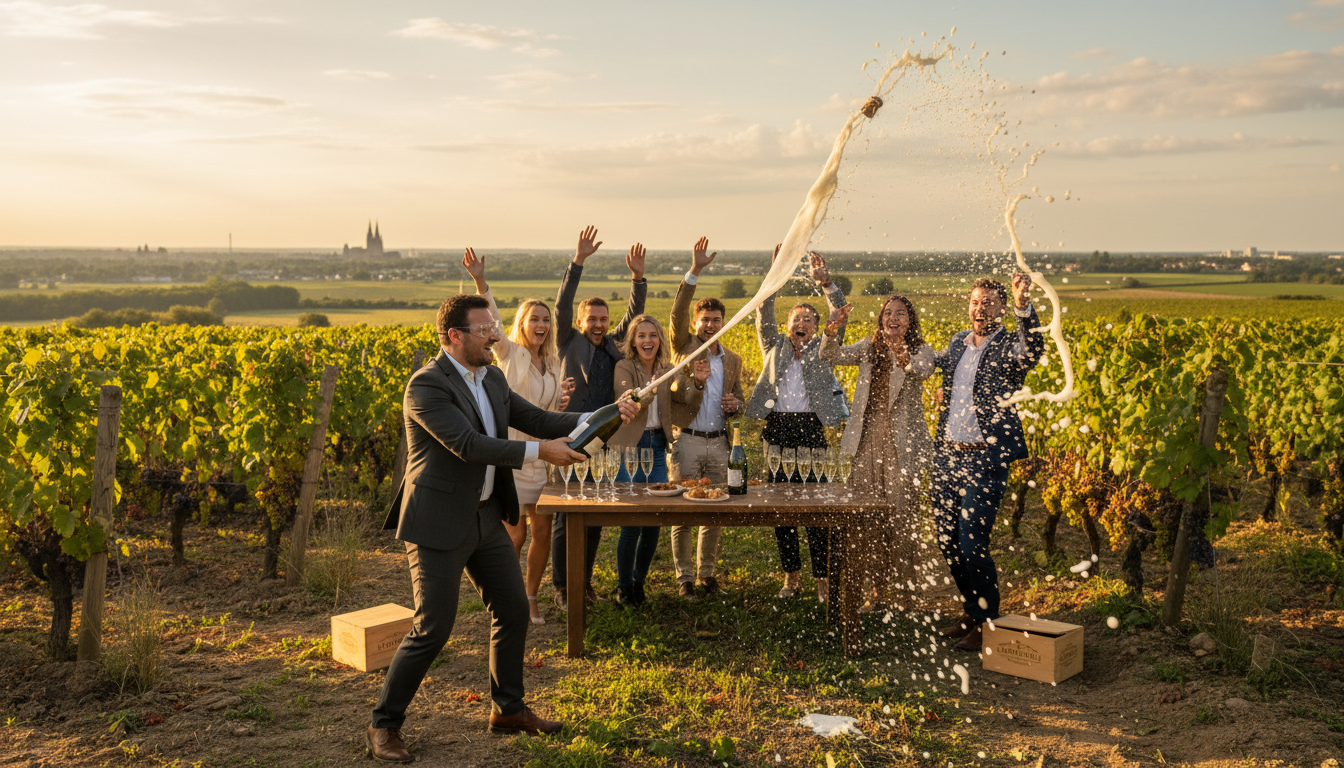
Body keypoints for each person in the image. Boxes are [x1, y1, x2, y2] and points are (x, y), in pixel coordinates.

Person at [369, 294, 639, 762]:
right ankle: (384, 724)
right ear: (454, 336)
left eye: (495, 326)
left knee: (513, 610)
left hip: (485, 516)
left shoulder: (490, 376)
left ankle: (508, 709)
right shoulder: (426, 387)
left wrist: (604, 414)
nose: (495, 335)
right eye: (484, 330)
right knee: (432, 628)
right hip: (437, 521)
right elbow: (469, 445)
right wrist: (541, 453)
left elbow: (534, 418)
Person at [463, 247, 575, 626]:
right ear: (522, 324)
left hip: (542, 458)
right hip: (513, 455)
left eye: (545, 319)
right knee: (515, 535)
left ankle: (530, 598)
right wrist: (481, 281)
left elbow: (546, 413)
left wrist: (561, 404)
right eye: (534, 319)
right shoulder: (510, 353)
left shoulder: (554, 361)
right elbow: (491, 318)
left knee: (541, 531)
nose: (541, 324)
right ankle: (505, 597)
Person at [931, 274, 1043, 652]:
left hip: (984, 459)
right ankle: (969, 611)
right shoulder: (956, 344)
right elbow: (948, 382)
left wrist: (1022, 304)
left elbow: (1034, 350)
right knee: (947, 541)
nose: (981, 308)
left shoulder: (1011, 344)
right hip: (947, 455)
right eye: (976, 302)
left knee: (971, 544)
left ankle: (987, 620)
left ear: (1000, 308)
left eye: (989, 303)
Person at [745, 247, 850, 603]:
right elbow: (763, 312)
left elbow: (841, 315)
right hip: (777, 431)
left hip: (811, 432)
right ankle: (792, 577)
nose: (801, 324)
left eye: (808, 320)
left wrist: (827, 283)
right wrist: (778, 272)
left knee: (816, 508)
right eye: (797, 319)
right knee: (781, 509)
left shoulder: (824, 347)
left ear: (818, 328)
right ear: (788, 326)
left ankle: (822, 577)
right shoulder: (773, 346)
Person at [551, 226, 648, 611]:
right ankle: (563, 587)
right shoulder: (567, 340)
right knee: (565, 513)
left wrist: (637, 278)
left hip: (603, 439)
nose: (598, 323)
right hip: (569, 434)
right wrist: (578, 262)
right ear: (580, 320)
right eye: (591, 318)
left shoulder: (613, 345)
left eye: (602, 318)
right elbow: (560, 305)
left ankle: (584, 582)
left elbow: (634, 315)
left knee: (592, 516)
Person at [820, 295, 934, 613]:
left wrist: (901, 353)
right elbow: (830, 355)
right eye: (887, 313)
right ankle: (876, 592)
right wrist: (830, 330)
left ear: (910, 321)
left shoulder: (919, 350)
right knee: (868, 521)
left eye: (900, 313)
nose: (892, 317)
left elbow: (923, 371)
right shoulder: (868, 347)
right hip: (866, 443)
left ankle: (906, 595)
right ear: (881, 319)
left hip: (901, 447)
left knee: (902, 519)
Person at [667, 236, 745, 598]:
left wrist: (736, 405)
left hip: (719, 441)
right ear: (696, 323)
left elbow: (740, 398)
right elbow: (676, 312)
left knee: (716, 509)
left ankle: (706, 575)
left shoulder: (732, 359)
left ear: (723, 322)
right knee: (683, 509)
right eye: (705, 320)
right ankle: (684, 578)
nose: (710, 325)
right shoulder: (683, 346)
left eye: (716, 320)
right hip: (687, 440)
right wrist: (695, 270)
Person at [609, 314, 675, 608]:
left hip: (657, 447)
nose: (647, 340)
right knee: (633, 521)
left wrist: (697, 383)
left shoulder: (669, 369)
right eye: (641, 336)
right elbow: (631, 398)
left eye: (653, 335)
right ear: (633, 342)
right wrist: (652, 386)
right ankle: (623, 587)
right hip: (629, 450)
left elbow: (683, 396)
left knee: (654, 520)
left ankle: (639, 582)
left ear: (660, 340)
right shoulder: (623, 367)